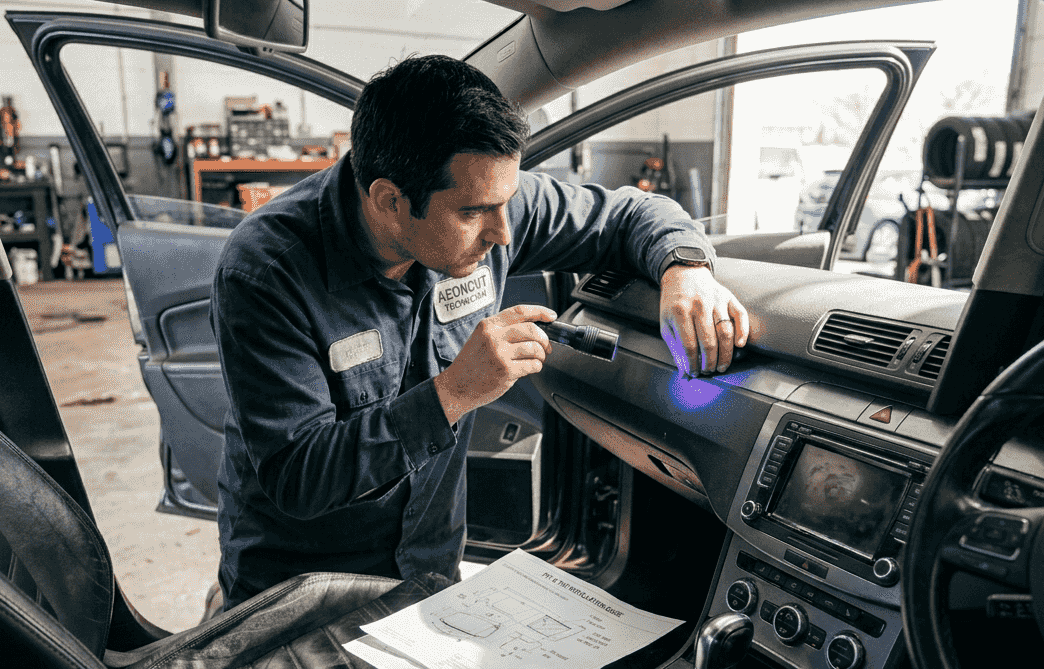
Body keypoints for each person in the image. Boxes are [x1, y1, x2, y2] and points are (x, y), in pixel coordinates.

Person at [212, 54, 749, 610]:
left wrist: (685, 270)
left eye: (508, 203)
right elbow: (300, 475)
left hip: (428, 575)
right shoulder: (267, 269)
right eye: (473, 213)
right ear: (389, 201)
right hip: (301, 591)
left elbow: (631, 213)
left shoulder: (485, 199)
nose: (503, 233)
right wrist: (455, 392)